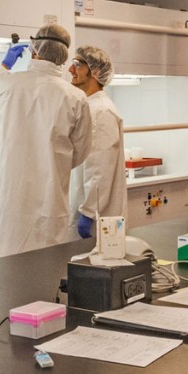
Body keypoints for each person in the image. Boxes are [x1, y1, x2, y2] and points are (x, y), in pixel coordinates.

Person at [0, 23, 92, 257]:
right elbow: (81, 151)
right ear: (63, 58)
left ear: (34, 51)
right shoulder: (76, 97)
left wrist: (3, 67)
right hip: (51, 198)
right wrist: (53, 165)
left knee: (10, 272)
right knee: (48, 273)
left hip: (11, 200)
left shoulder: (8, 83)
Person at [67, 45, 128, 239]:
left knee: (98, 264)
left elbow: (100, 168)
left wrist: (89, 212)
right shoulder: (89, 107)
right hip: (89, 210)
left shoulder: (101, 111)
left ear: (95, 71)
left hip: (97, 219)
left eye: (77, 64)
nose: (70, 70)